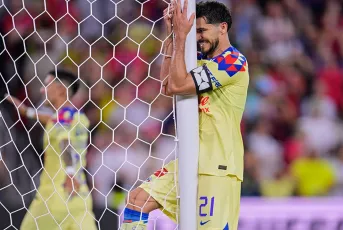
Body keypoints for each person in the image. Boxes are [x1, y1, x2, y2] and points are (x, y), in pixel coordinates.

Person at [120, 0, 249, 229]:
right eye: (194, 31)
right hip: (191, 160)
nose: (198, 37)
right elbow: (168, 84)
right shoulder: (200, 62)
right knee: (137, 201)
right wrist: (171, 35)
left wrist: (181, 37)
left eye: (201, 31)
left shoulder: (233, 62)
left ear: (222, 27)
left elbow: (178, 85)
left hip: (217, 167)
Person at [6, 70, 96, 230]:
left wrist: (68, 172)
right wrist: (28, 112)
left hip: (55, 195)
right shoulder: (77, 116)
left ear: (61, 90)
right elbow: (55, 120)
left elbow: (65, 141)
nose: (42, 90)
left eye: (47, 85)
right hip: (80, 195)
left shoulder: (62, 120)